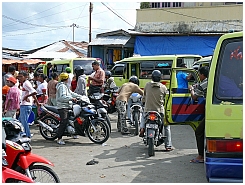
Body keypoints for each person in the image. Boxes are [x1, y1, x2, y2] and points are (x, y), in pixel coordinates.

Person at [139, 70, 173, 151]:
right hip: (159, 111)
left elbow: (144, 96)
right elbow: (167, 97)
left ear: (152, 77)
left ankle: (142, 128)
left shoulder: (147, 85)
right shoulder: (163, 87)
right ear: (160, 78)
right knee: (167, 126)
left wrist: (143, 102)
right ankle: (168, 145)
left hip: (148, 110)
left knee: (143, 116)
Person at [56, 72, 89, 145]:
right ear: (67, 79)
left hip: (68, 105)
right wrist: (71, 99)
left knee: (74, 118)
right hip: (62, 106)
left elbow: (71, 93)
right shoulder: (61, 86)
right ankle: (59, 138)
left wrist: (80, 97)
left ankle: (74, 132)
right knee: (64, 121)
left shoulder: (65, 85)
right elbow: (62, 97)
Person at [188, 66, 209, 163]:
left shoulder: (205, 83)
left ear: (202, 75)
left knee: (199, 131)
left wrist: (191, 89)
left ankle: (201, 156)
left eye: (199, 74)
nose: (199, 76)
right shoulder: (209, 81)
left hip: (209, 111)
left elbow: (194, 97)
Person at [17, 71, 39, 138]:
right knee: (20, 121)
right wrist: (37, 102)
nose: (19, 78)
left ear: (25, 76)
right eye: (19, 76)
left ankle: (27, 135)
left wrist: (26, 97)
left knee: (24, 122)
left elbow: (34, 92)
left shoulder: (26, 83)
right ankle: (22, 134)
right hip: (25, 105)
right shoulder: (24, 83)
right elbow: (32, 92)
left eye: (21, 76)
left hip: (25, 105)